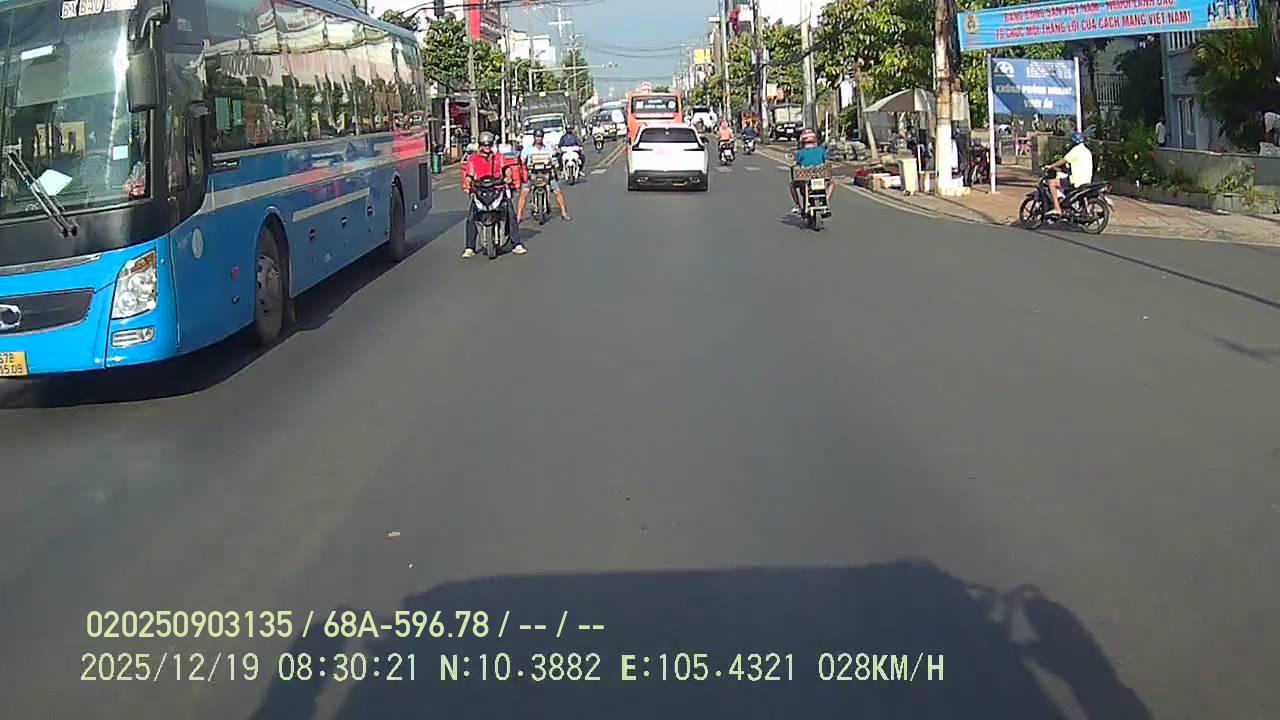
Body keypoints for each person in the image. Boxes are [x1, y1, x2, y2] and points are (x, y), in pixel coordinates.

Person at [461, 131, 525, 258]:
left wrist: (508, 177)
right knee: (471, 217)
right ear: (480, 145)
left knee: (511, 213)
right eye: (484, 145)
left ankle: (516, 243)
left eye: (489, 144)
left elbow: (507, 170)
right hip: (480, 191)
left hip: (497, 189)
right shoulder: (473, 159)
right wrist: (468, 186)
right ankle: (470, 247)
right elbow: (469, 175)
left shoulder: (499, 157)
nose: (487, 147)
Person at [518, 128, 572, 221]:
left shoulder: (548, 148)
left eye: (540, 137)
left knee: (558, 192)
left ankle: (564, 213)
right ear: (534, 137)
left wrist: (556, 167)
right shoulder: (528, 149)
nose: (538, 138)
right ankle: (518, 216)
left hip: (546, 173)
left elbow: (553, 159)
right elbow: (522, 160)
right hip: (532, 174)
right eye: (537, 136)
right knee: (524, 193)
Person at [1045, 131, 1093, 217]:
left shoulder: (1076, 150)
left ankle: (1057, 208)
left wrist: (1051, 166)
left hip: (1076, 180)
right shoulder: (1087, 151)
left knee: (1052, 183)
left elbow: (1064, 160)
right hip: (1086, 180)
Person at [789, 128, 832, 215]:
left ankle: (798, 205)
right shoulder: (821, 150)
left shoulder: (800, 153)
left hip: (805, 179)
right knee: (831, 183)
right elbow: (826, 161)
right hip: (821, 176)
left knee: (792, 185)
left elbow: (797, 164)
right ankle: (826, 199)